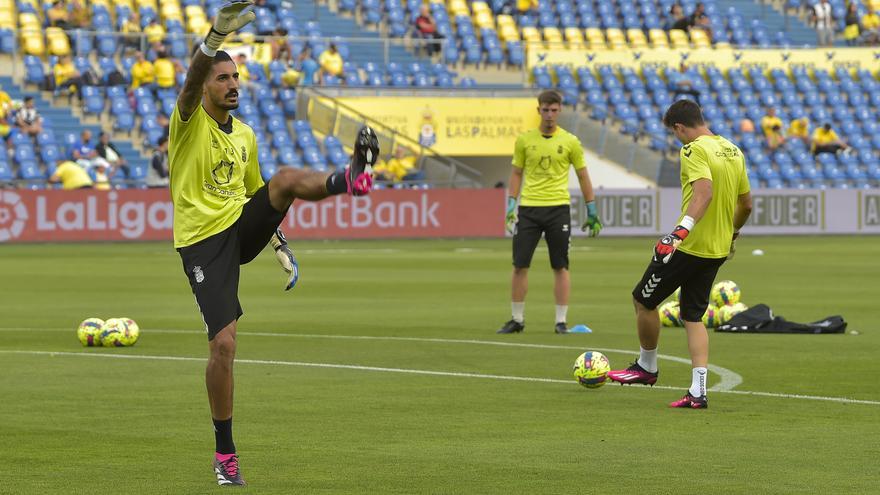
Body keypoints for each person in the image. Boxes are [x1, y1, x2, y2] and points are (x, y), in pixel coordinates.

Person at [167, 2, 378, 486]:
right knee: (223, 345)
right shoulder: (187, 122)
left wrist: (279, 242)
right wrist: (217, 34)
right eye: (222, 78)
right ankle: (225, 454)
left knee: (283, 180)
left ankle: (352, 179)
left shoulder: (245, 136)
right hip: (202, 243)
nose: (232, 84)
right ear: (205, 87)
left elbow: (258, 194)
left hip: (238, 227)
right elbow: (191, 76)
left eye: (235, 77)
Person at [606, 99, 752, 409]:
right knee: (692, 315)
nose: (677, 139)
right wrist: (733, 234)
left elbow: (704, 193)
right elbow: (747, 204)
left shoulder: (693, 150)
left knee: (643, 300)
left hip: (688, 246)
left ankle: (647, 367)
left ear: (679, 127)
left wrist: (678, 233)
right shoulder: (733, 150)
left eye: (675, 134)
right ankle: (698, 391)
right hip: (716, 249)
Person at [498, 90, 602, 335]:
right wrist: (511, 204)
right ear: (538, 110)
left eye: (554, 110)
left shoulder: (570, 141)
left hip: (558, 209)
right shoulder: (525, 140)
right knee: (519, 265)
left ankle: (561, 322)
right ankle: (517, 319)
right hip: (530, 208)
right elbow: (516, 173)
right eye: (545, 110)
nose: (549, 115)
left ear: (560, 110)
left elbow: (583, 175)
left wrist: (592, 209)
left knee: (560, 266)